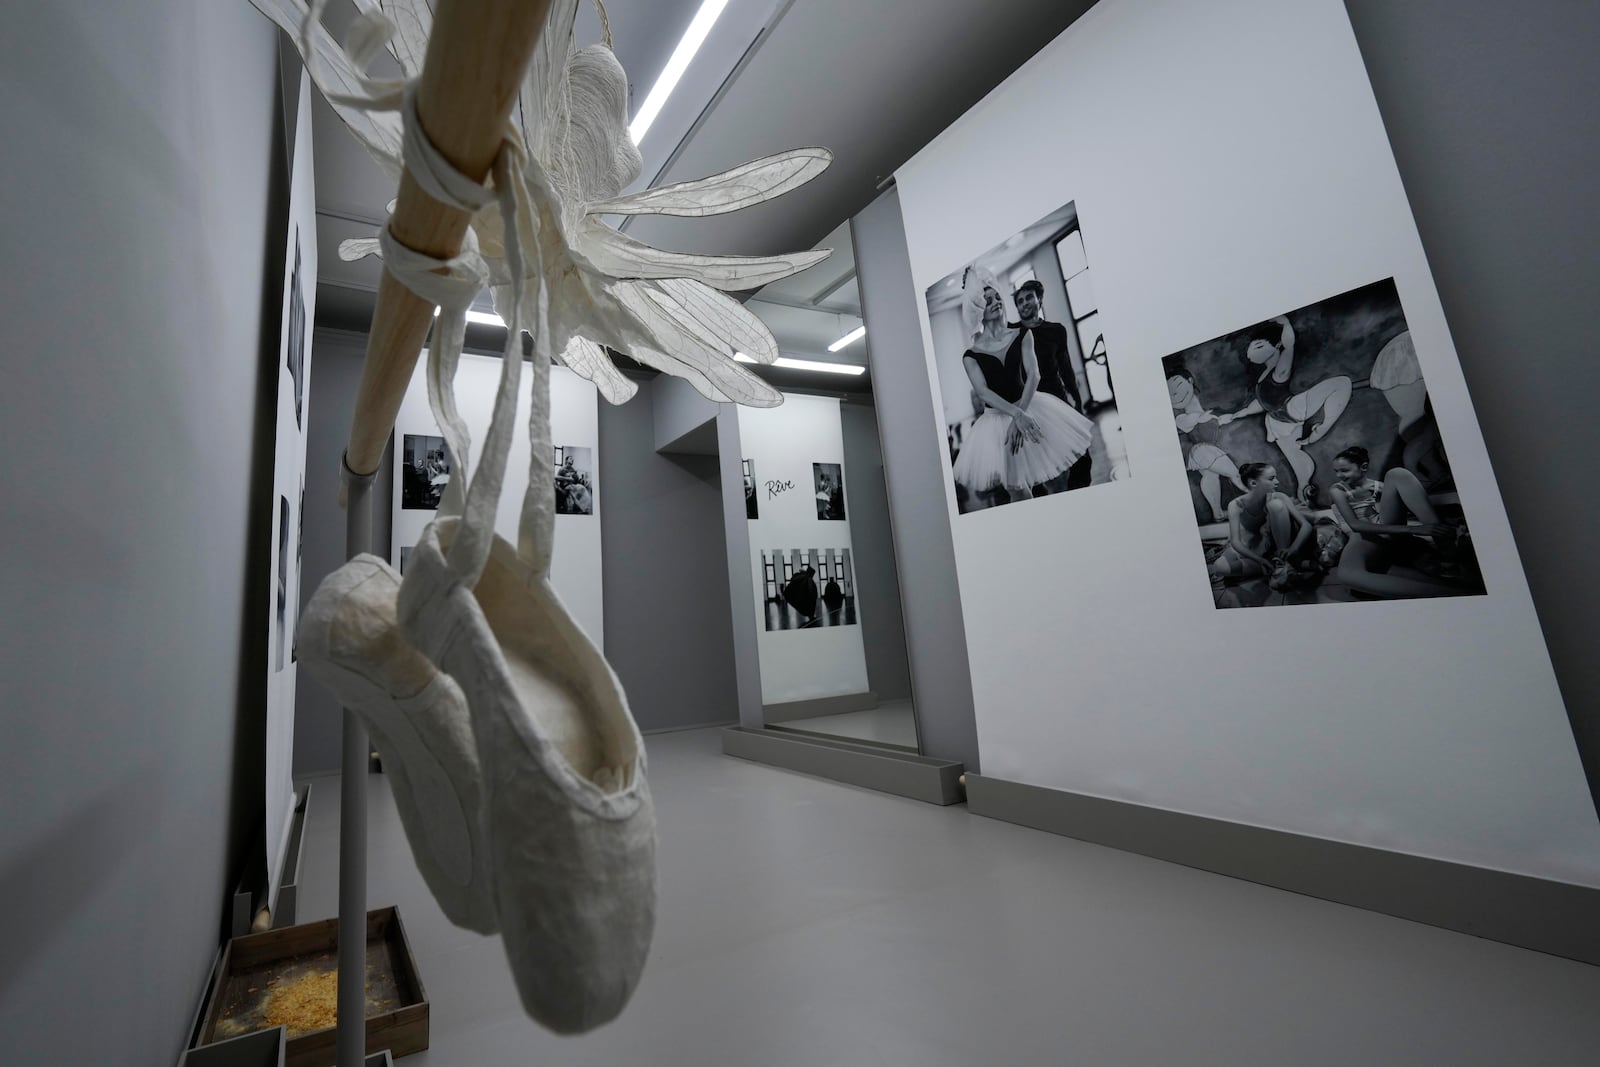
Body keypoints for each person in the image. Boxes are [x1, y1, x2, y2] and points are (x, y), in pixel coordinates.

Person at [951, 268, 1095, 503]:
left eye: (997, 297)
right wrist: (1017, 415)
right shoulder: (971, 354)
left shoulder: (1023, 334)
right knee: (1015, 487)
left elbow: (1034, 376)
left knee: (1057, 477)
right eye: (988, 301)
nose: (996, 302)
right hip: (996, 421)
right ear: (979, 310)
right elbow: (983, 391)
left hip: (1034, 407)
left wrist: (1022, 414)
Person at [1218, 315, 1352, 507]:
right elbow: (1261, 401)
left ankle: (1323, 427)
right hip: (1276, 419)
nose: (1251, 351)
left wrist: (1286, 324)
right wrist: (1235, 414)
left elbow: (1289, 347)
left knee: (1342, 383)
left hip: (1291, 407)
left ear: (1277, 345)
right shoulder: (1264, 375)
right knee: (1296, 458)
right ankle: (1303, 491)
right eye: (1251, 347)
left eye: (1258, 346)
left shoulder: (1280, 369)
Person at [1326, 446, 1470, 598]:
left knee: (1397, 474)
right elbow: (1355, 525)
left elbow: (1411, 501)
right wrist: (1415, 529)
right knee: (1347, 576)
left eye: (1344, 470)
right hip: (1361, 537)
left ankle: (1447, 553)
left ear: (1363, 467)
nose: (1339, 475)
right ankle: (1456, 594)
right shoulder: (1337, 490)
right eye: (1336, 471)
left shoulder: (1378, 486)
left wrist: (1447, 519)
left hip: (1385, 530)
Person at [1012, 279, 1093, 489]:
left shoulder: (1056, 330)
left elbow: (1066, 368)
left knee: (1082, 458)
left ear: (1039, 299)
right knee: (1043, 472)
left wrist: (1077, 400)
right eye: (1019, 301)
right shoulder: (1012, 333)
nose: (1024, 303)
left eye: (1029, 297)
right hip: (1032, 408)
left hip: (1058, 402)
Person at [1208, 462, 1316, 586]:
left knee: (1276, 504)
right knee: (1219, 567)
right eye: (1271, 479)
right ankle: (1285, 565)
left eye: (1275, 477)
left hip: (1276, 544)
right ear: (1253, 483)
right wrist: (1259, 560)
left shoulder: (1279, 497)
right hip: (1252, 547)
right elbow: (1236, 542)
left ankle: (1282, 562)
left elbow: (1306, 525)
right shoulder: (1235, 505)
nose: (1277, 482)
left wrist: (1293, 548)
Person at [1167, 365, 1245, 522]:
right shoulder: (1181, 416)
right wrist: (1201, 418)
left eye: (1179, 385)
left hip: (1199, 451)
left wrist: (1221, 418)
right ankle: (1261, 497)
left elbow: (1209, 422)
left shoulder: (1201, 408)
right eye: (1170, 392)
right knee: (1234, 473)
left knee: (1210, 475)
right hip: (1194, 451)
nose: (1176, 394)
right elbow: (1186, 422)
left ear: (1190, 381)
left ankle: (1218, 513)